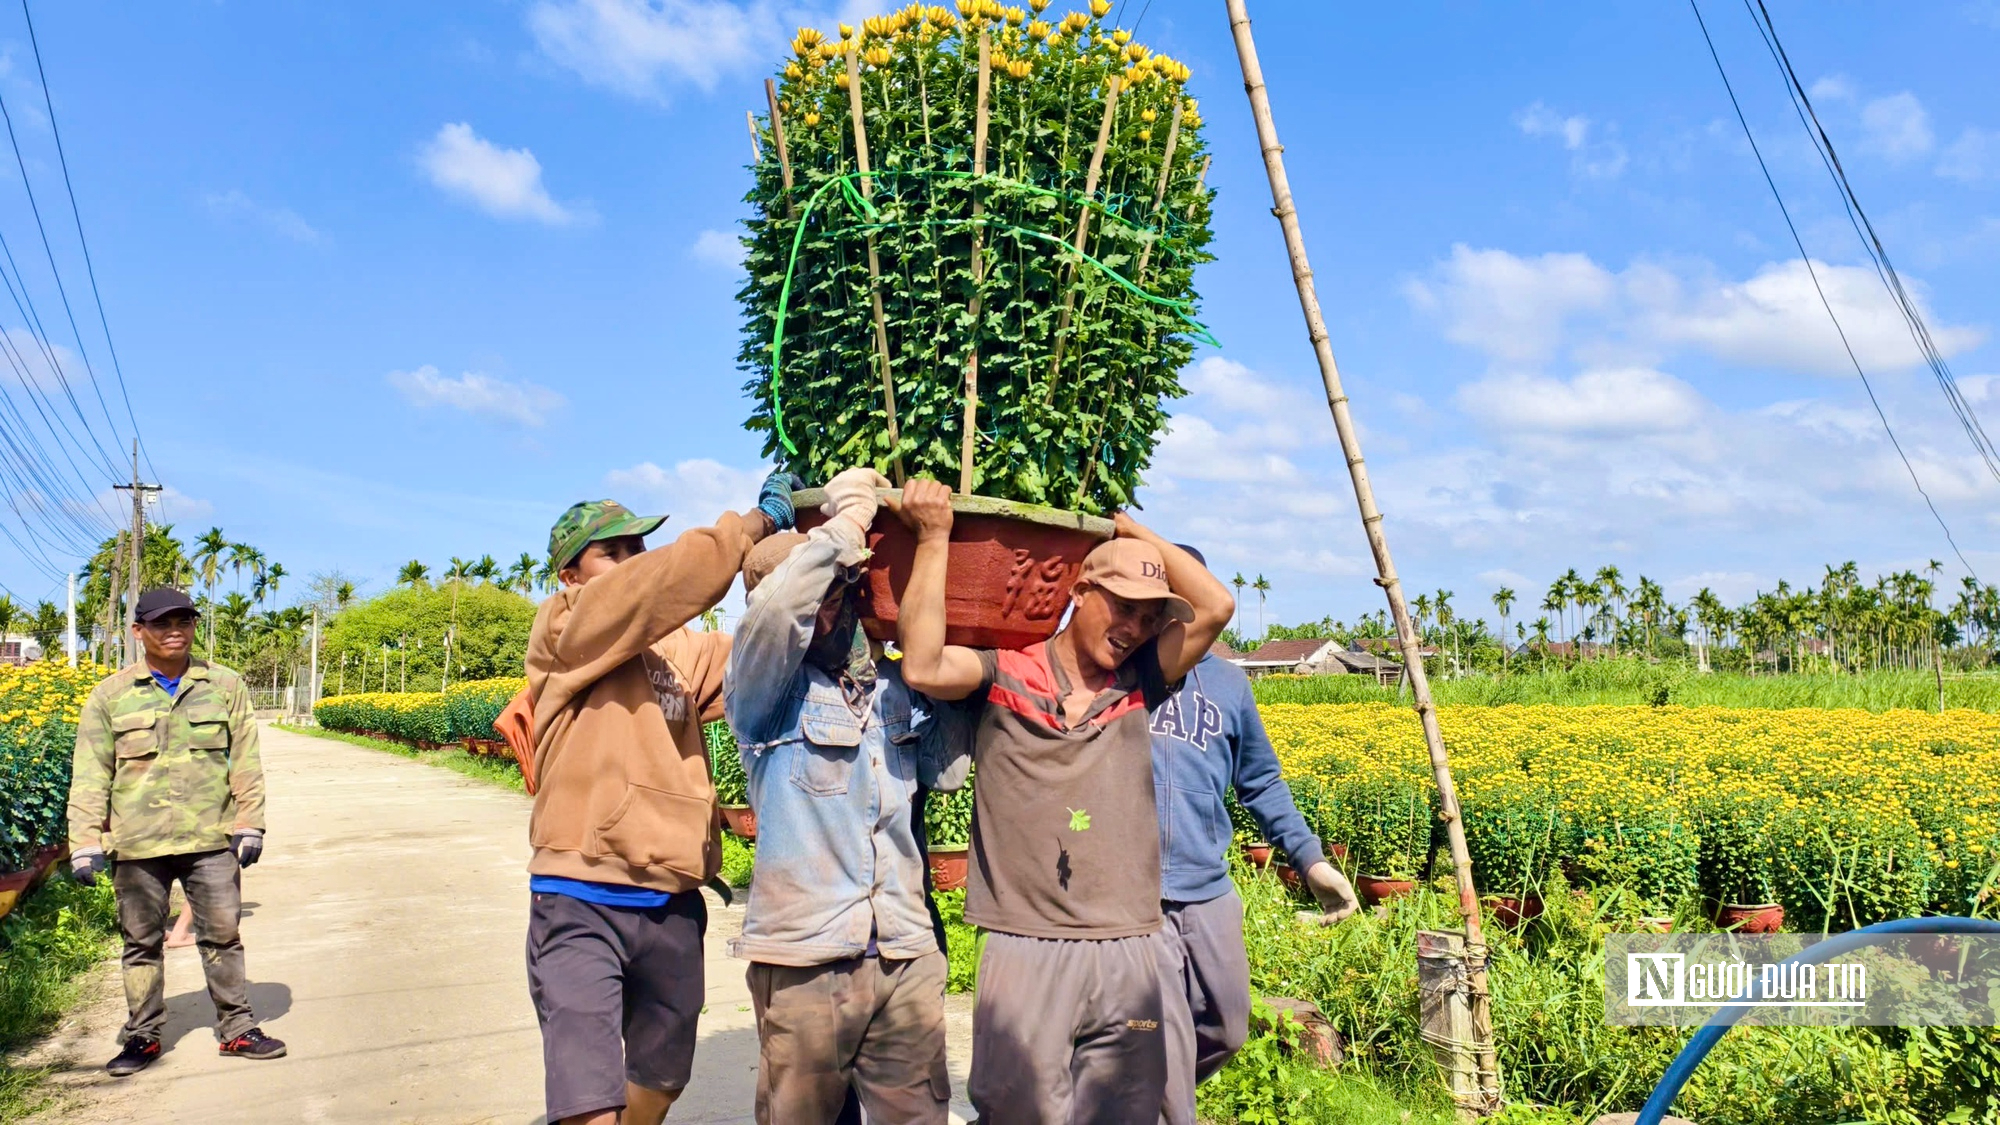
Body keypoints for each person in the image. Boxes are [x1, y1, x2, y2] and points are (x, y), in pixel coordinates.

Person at [895, 478, 1235, 1125]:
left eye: (1148, 616)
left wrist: (1131, 532)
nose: (1134, 627)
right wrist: (936, 536)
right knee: (1017, 1111)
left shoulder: (1141, 683)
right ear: (1079, 592)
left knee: (1129, 1112)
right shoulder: (1004, 672)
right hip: (1027, 946)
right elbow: (923, 665)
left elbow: (1215, 605)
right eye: (1122, 605)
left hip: (1130, 948)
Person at [524, 475, 797, 1125]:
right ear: (569, 573)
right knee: (588, 1095)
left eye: (637, 546)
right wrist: (752, 524)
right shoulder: (567, 624)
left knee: (662, 1075)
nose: (631, 560)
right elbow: (661, 585)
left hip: (672, 901)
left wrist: (813, 560)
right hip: (578, 897)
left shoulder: (677, 650)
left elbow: (759, 663)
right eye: (611, 551)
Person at [724, 467, 970, 1125]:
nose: (832, 608)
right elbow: (780, 611)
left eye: (844, 590)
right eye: (821, 593)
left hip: (902, 948)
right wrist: (845, 522)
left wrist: (929, 633)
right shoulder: (762, 694)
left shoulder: (890, 691)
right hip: (806, 958)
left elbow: (947, 771)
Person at [1150, 545, 1358, 1124]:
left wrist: (1311, 861)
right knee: (1161, 1040)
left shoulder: (1228, 685)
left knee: (1227, 1024)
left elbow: (1261, 781)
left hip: (1208, 886)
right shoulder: (1124, 674)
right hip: (1135, 893)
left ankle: (1128, 1097)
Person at [66, 587, 285, 1077]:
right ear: (138, 631)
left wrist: (250, 823)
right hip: (137, 843)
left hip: (211, 840)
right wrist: (83, 841)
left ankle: (237, 1028)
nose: (174, 632)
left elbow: (245, 761)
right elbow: (90, 773)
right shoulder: (111, 695)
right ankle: (142, 1036)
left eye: (184, 622)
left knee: (223, 936)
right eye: (162, 623)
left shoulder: (224, 686)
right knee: (140, 943)